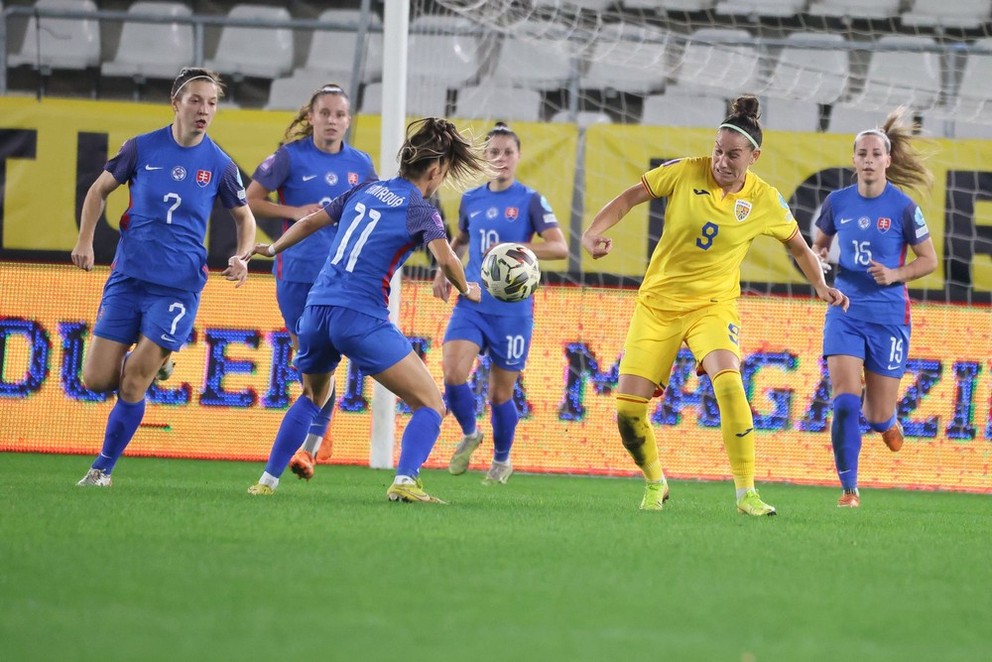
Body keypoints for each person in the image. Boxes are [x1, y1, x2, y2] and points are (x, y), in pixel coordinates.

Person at [581, 95, 849, 515]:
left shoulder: (765, 199)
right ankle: (655, 482)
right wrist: (592, 232)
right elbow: (629, 198)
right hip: (657, 305)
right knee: (628, 412)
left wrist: (820, 284)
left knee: (729, 383)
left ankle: (747, 494)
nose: (722, 161)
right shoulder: (685, 171)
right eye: (718, 151)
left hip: (713, 306)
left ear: (754, 157)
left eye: (733, 155)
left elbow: (799, 246)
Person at [246, 117, 491, 503]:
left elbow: (310, 222)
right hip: (359, 317)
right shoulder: (421, 210)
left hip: (316, 310)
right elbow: (446, 259)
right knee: (430, 404)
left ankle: (265, 482)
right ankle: (405, 481)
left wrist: (273, 248)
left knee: (311, 396)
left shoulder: (364, 189)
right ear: (435, 170)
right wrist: (468, 289)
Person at [71, 67, 256, 486]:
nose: (204, 110)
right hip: (128, 277)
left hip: (177, 287)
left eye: (212, 103)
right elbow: (98, 190)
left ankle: (102, 470)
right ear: (176, 103)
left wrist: (242, 256)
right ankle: (161, 358)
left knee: (133, 381)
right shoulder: (140, 148)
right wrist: (85, 240)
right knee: (97, 380)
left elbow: (245, 219)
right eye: (195, 100)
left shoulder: (220, 164)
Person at [247, 83, 377, 485]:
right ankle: (319, 432)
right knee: (309, 361)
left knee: (325, 357)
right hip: (296, 273)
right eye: (325, 113)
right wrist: (293, 211)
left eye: (339, 114)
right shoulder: (289, 157)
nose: (332, 121)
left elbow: (375, 210)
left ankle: (312, 445)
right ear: (311, 116)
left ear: (348, 120)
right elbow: (250, 200)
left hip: (340, 278)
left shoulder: (361, 164)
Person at [812, 108, 938, 509]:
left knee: (878, 414)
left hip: (888, 318)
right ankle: (849, 490)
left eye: (875, 154)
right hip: (846, 311)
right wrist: (820, 257)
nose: (868, 160)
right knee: (846, 401)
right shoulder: (836, 202)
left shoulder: (904, 208)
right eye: (862, 154)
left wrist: (895, 273)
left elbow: (929, 260)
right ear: (854, 160)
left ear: (888, 160)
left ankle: (887, 421)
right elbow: (818, 244)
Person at [433, 122, 568, 485]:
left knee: (499, 393)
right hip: (472, 301)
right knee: (452, 373)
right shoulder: (471, 199)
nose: (501, 158)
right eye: (494, 152)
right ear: (484, 158)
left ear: (518, 156)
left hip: (513, 312)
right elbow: (461, 239)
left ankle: (502, 459)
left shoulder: (531, 200)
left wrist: (515, 248)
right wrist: (443, 270)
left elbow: (559, 248)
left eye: (508, 152)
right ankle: (469, 433)